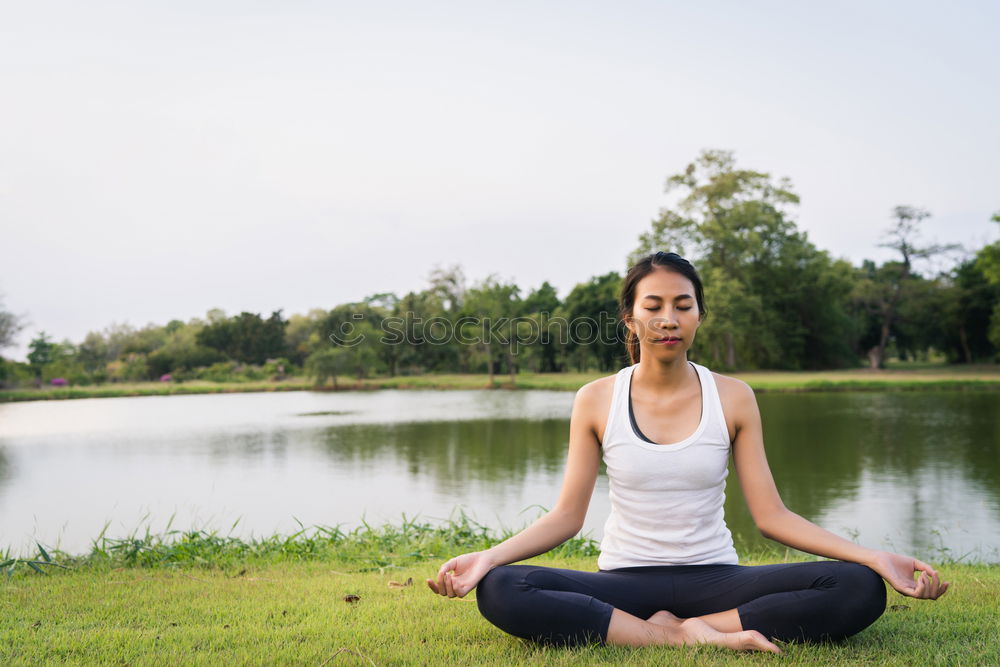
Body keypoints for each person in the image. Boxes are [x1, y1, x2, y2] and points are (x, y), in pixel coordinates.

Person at [426, 251, 949, 653]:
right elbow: (566, 517)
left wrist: (872, 556)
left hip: (716, 579)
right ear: (630, 319)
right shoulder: (596, 399)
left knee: (857, 587)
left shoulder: (734, 396)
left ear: (699, 315)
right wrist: (489, 557)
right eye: (652, 307)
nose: (668, 318)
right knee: (502, 588)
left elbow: (772, 516)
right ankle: (678, 638)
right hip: (624, 581)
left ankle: (692, 628)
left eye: (683, 305)